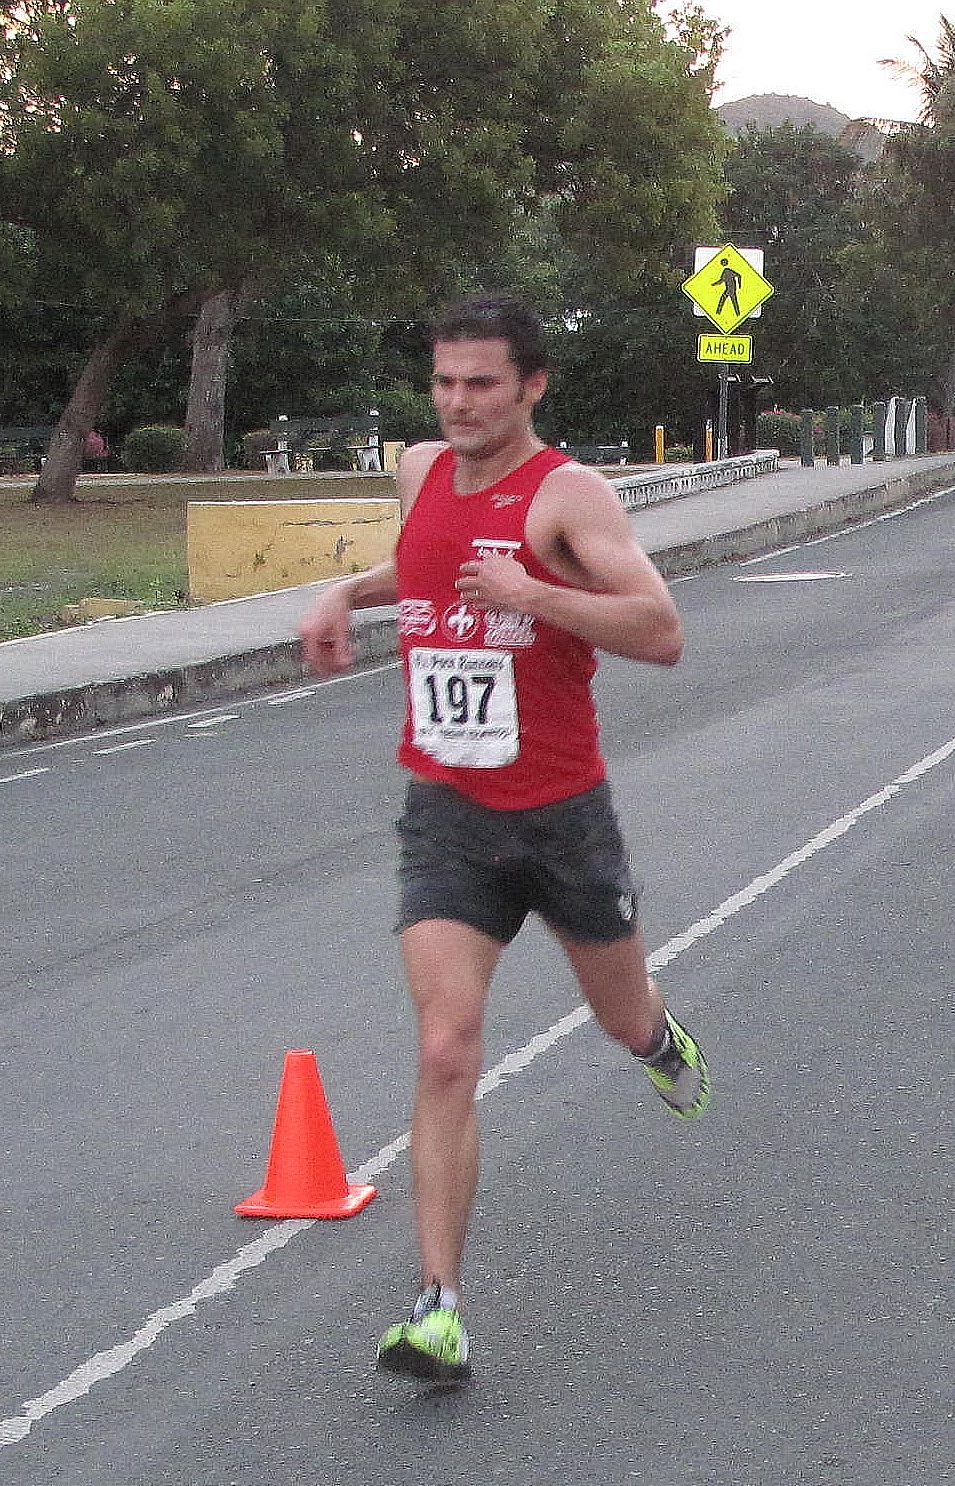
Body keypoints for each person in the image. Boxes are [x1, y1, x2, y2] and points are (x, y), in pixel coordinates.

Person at [299, 294, 710, 1384]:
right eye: (444, 381)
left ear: (530, 386)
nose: (458, 402)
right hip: (449, 813)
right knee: (446, 1046)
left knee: (619, 1016)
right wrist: (347, 586)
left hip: (563, 814)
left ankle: (659, 1040)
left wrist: (536, 590)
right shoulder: (420, 471)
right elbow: (429, 568)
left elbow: (660, 629)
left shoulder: (566, 493)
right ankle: (437, 1307)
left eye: (482, 383)